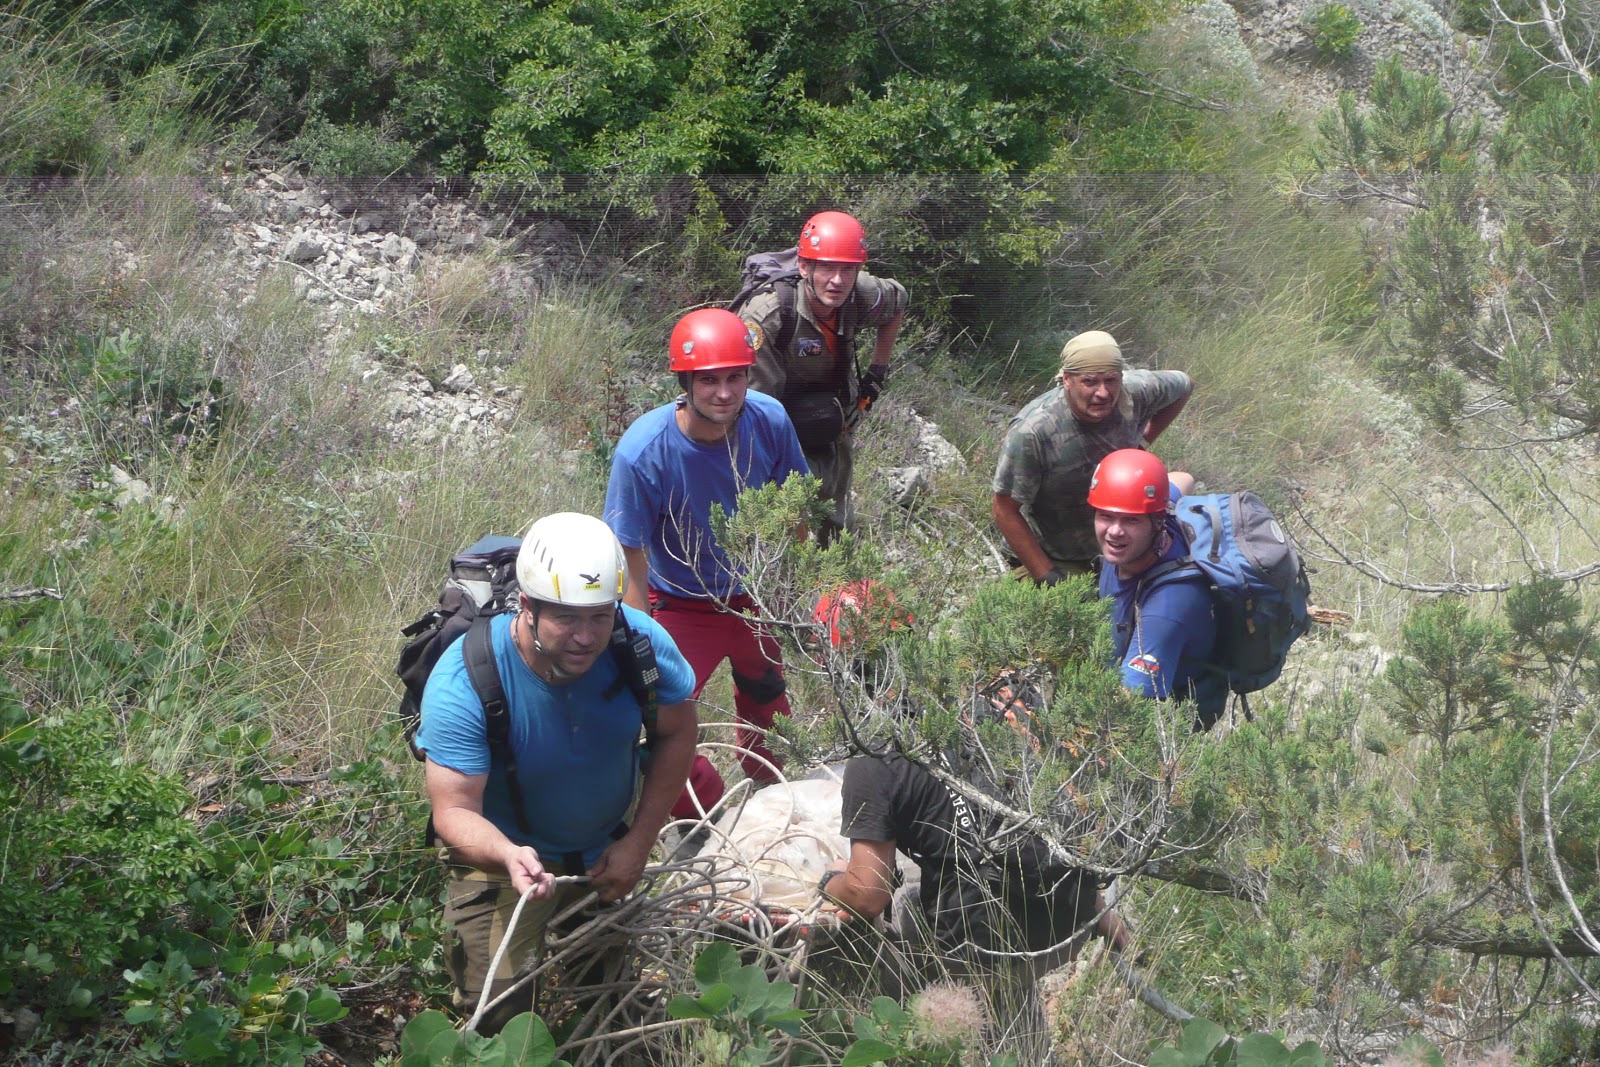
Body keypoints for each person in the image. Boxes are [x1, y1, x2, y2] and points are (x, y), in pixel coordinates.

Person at [415, 512, 700, 1034]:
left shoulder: (638, 645)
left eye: (598, 615)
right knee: (499, 1020)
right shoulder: (466, 679)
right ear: (527, 606)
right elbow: (454, 809)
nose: (586, 636)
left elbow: (678, 733)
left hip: (607, 848)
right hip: (501, 858)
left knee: (606, 996)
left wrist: (639, 841)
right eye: (567, 617)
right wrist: (506, 854)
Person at [605, 307, 811, 819]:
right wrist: (641, 642)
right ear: (686, 382)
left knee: (768, 704)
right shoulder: (644, 452)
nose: (725, 392)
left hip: (752, 598)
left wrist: (797, 587)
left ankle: (774, 801)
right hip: (679, 603)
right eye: (710, 380)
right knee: (654, 724)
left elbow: (796, 508)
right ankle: (706, 817)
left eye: (735, 377)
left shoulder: (769, 421)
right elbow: (631, 556)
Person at [820, 750, 1128, 1061]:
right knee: (1001, 928)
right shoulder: (985, 717)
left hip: (978, 952)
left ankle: (914, 1044)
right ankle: (1028, 1051)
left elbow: (868, 895)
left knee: (904, 905)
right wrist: (1097, 906)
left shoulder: (873, 760)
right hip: (1068, 924)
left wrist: (831, 880)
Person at [740, 210, 908, 541]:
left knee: (835, 525)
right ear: (805, 267)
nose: (837, 280)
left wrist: (877, 370)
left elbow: (898, 304)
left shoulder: (860, 293)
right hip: (779, 420)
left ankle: (832, 576)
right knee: (785, 527)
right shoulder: (769, 315)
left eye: (848, 269)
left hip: (833, 418)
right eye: (827, 267)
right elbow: (759, 411)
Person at [993, 329, 1193, 584]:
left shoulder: (1137, 391)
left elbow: (1185, 385)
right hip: (1057, 554)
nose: (1103, 393)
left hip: (1120, 539)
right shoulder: (1033, 432)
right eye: (1089, 382)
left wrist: (1142, 443)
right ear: (1066, 379)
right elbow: (1004, 510)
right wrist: (1048, 576)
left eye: (1111, 380)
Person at [1090, 449, 1226, 730]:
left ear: (1157, 522)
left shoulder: (1167, 609)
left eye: (1131, 520)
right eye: (1106, 516)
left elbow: (1122, 709)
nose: (1114, 531)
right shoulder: (1161, 518)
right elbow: (1183, 478)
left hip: (1168, 720)